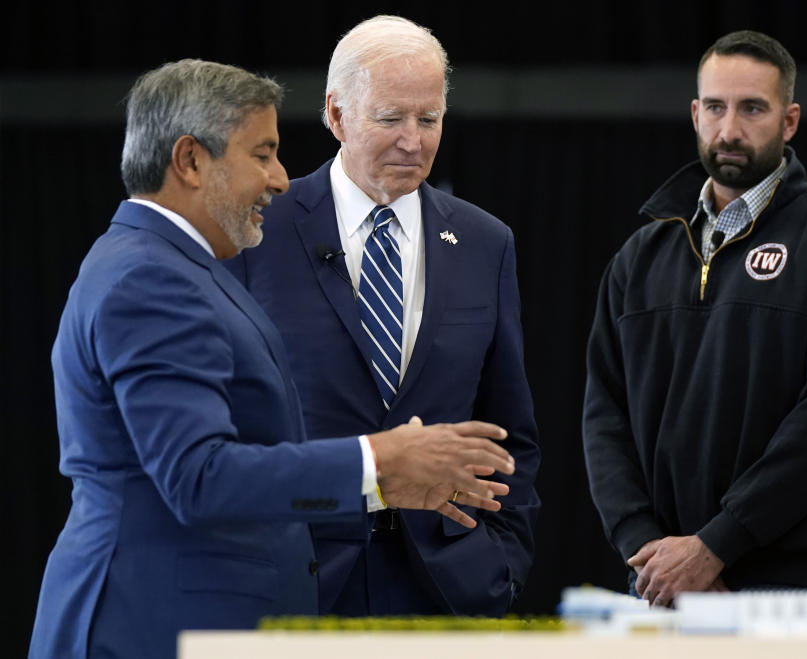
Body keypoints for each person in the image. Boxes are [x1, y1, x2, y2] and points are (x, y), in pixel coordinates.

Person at [29, 59, 517, 659]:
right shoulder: (151, 278)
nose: (282, 179)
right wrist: (378, 463)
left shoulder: (178, 267)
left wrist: (384, 483)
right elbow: (198, 478)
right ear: (190, 161)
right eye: (262, 154)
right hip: (151, 621)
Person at [226, 15, 540, 616]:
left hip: (450, 589)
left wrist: (503, 566)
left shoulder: (485, 241)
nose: (414, 141)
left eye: (429, 119)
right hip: (299, 584)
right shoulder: (259, 229)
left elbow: (510, 431)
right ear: (337, 116)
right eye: (391, 119)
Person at [583, 30, 807, 607]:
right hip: (657, 582)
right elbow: (604, 419)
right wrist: (650, 550)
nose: (730, 130)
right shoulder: (639, 258)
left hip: (793, 585)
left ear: (790, 120)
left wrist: (716, 546)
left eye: (753, 108)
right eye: (717, 108)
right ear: (696, 114)